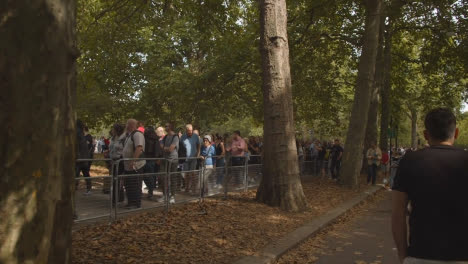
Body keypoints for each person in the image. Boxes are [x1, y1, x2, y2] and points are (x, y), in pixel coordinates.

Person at [392, 108, 468, 264]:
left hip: (420, 254)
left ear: (426, 135)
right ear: (456, 132)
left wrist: (402, 255)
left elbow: (398, 212)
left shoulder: (410, 160)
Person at [122, 119, 145, 209]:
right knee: (128, 184)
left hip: (136, 165)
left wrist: (133, 160)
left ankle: (136, 203)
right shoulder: (129, 135)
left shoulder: (137, 134)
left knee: (135, 184)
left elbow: (139, 148)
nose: (126, 126)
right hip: (128, 165)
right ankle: (130, 202)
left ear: (131, 125)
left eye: (127, 124)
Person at [160, 122, 179, 204]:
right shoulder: (165, 137)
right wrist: (165, 148)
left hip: (173, 160)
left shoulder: (175, 137)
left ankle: (172, 196)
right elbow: (160, 144)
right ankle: (165, 195)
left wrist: (164, 147)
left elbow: (171, 149)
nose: (165, 127)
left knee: (173, 178)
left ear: (170, 127)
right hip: (165, 159)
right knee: (162, 177)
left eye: (166, 126)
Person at [180, 124, 201, 193]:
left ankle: (194, 189)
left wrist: (198, 153)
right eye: (189, 131)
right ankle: (187, 188)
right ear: (186, 130)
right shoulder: (183, 137)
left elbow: (198, 145)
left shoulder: (195, 136)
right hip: (185, 159)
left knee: (192, 173)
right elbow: (180, 147)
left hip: (193, 158)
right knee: (186, 174)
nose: (190, 132)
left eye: (191, 130)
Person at [143, 126, 162, 199]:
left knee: (149, 176)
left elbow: (157, 150)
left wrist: (157, 159)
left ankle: (150, 191)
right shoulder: (145, 138)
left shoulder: (155, 139)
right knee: (146, 176)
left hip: (151, 160)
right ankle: (150, 190)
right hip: (146, 159)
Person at [109, 123, 126, 203]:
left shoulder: (123, 138)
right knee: (114, 179)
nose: (112, 130)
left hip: (120, 160)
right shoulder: (113, 137)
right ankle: (116, 196)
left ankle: (116, 197)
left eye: (113, 129)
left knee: (117, 179)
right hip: (113, 160)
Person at [76, 120, 92, 195]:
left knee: (76, 174)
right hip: (85, 157)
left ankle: (74, 188)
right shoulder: (81, 134)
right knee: (86, 173)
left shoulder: (77, 133)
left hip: (79, 158)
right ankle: (89, 189)